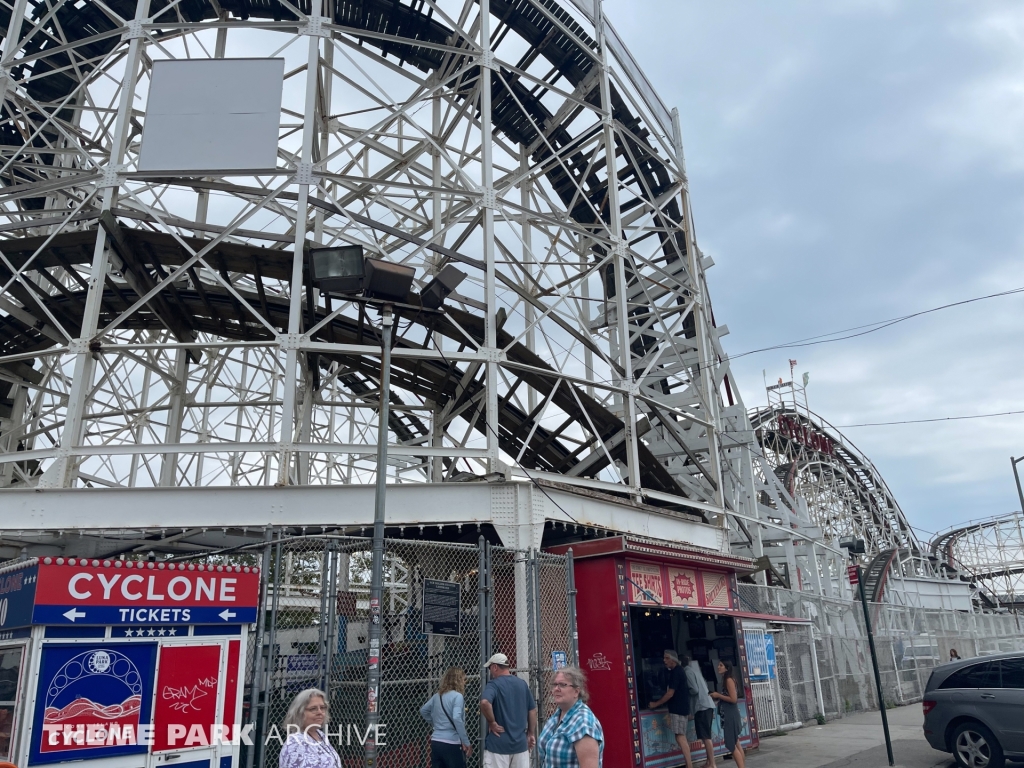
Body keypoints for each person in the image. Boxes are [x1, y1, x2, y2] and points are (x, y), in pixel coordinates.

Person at [538, 666, 603, 768]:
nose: (556, 689)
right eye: (555, 684)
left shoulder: (583, 723)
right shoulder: (557, 715)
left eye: (562, 685)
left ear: (576, 691)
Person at [480, 652, 538, 768]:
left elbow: (485, 702)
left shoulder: (493, 684)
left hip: (498, 745)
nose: (490, 671)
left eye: (490, 667)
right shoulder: (522, 684)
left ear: (495, 667)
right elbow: (533, 711)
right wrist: (530, 733)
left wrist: (492, 722)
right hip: (520, 745)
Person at [420, 667, 473, 768]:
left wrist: (435, 723)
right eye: (463, 679)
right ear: (458, 680)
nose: (464, 682)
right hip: (451, 742)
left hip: (436, 741)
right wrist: (466, 742)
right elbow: (457, 718)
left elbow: (423, 711)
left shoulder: (437, 696)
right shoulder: (458, 696)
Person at [647, 650, 692, 768]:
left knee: (680, 736)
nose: (664, 660)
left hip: (679, 708)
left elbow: (670, 693)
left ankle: (689, 765)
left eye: (667, 658)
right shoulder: (675, 671)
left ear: (673, 659)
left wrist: (655, 704)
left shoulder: (677, 672)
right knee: (680, 736)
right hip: (679, 708)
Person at [279, 688, 340, 768]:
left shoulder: (320, 735)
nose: (320, 712)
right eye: (313, 709)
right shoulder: (295, 744)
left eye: (322, 708)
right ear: (300, 713)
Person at [682, 654, 716, 768]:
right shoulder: (695, 671)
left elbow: (694, 690)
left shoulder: (687, 672)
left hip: (701, 706)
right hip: (707, 704)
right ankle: (709, 762)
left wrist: (685, 692)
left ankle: (712, 763)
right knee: (706, 735)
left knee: (706, 736)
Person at [710, 660, 746, 768]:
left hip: (730, 715)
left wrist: (718, 695)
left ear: (727, 668)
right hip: (729, 713)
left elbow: (733, 699)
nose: (718, 667)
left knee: (731, 745)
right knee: (736, 743)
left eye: (721, 665)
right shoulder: (726, 679)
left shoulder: (729, 680)